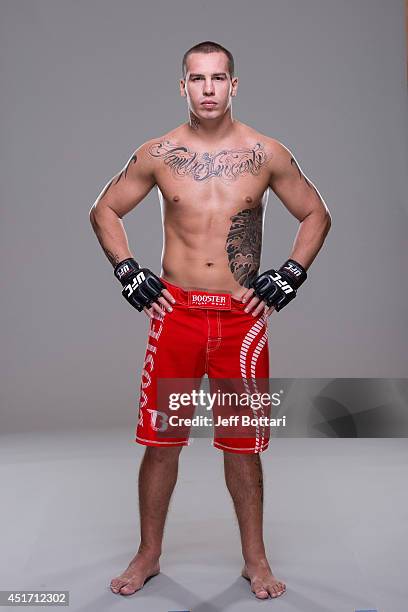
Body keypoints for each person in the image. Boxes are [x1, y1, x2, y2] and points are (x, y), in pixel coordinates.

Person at [89, 40, 331, 600]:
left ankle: (256, 560)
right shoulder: (158, 152)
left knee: (242, 447)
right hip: (176, 315)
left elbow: (316, 211)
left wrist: (290, 274)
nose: (208, 89)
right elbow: (104, 208)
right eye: (197, 79)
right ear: (183, 87)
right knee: (162, 442)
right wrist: (129, 271)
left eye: (218, 78)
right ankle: (149, 555)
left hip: (241, 321)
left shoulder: (266, 152)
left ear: (234, 85)